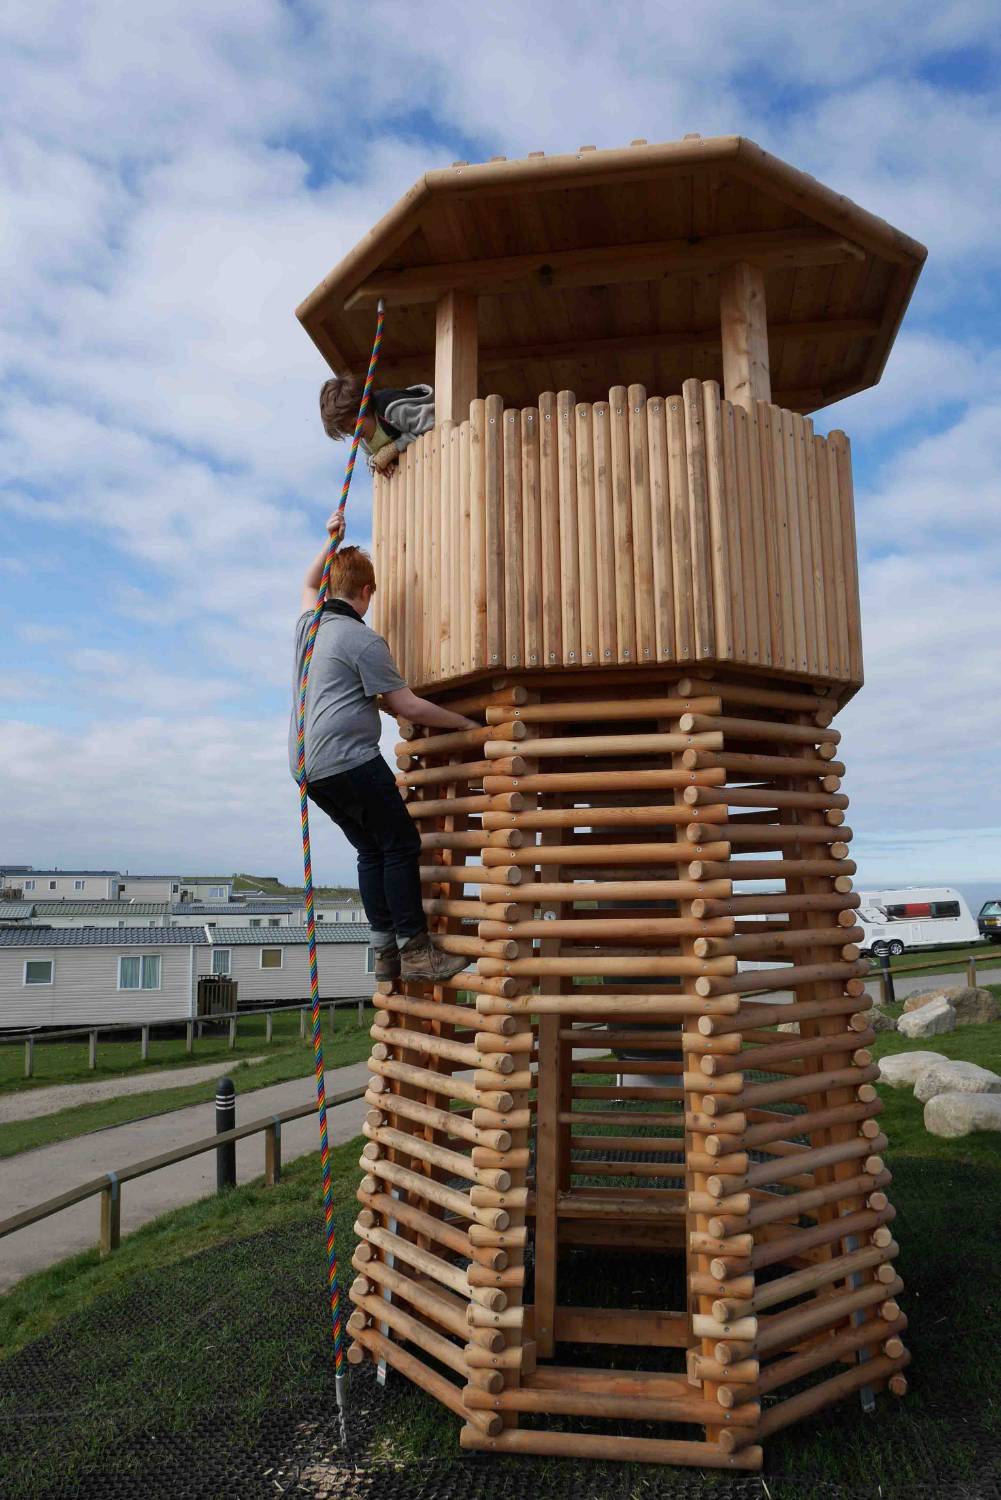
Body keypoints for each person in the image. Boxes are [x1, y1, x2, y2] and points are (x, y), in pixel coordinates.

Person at [291, 514, 478, 984]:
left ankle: (384, 953)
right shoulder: (362, 638)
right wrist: (467, 726)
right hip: (348, 759)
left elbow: (307, 582)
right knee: (400, 845)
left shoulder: (309, 627)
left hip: (308, 768)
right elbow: (406, 705)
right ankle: (415, 951)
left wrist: (329, 540)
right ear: (367, 593)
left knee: (371, 851)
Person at [319, 375, 434, 476]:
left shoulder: (392, 410)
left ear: (364, 407)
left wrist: (395, 448)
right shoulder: (363, 438)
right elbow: (370, 462)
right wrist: (379, 464)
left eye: (354, 425)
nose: (356, 435)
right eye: (350, 433)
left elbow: (431, 424)